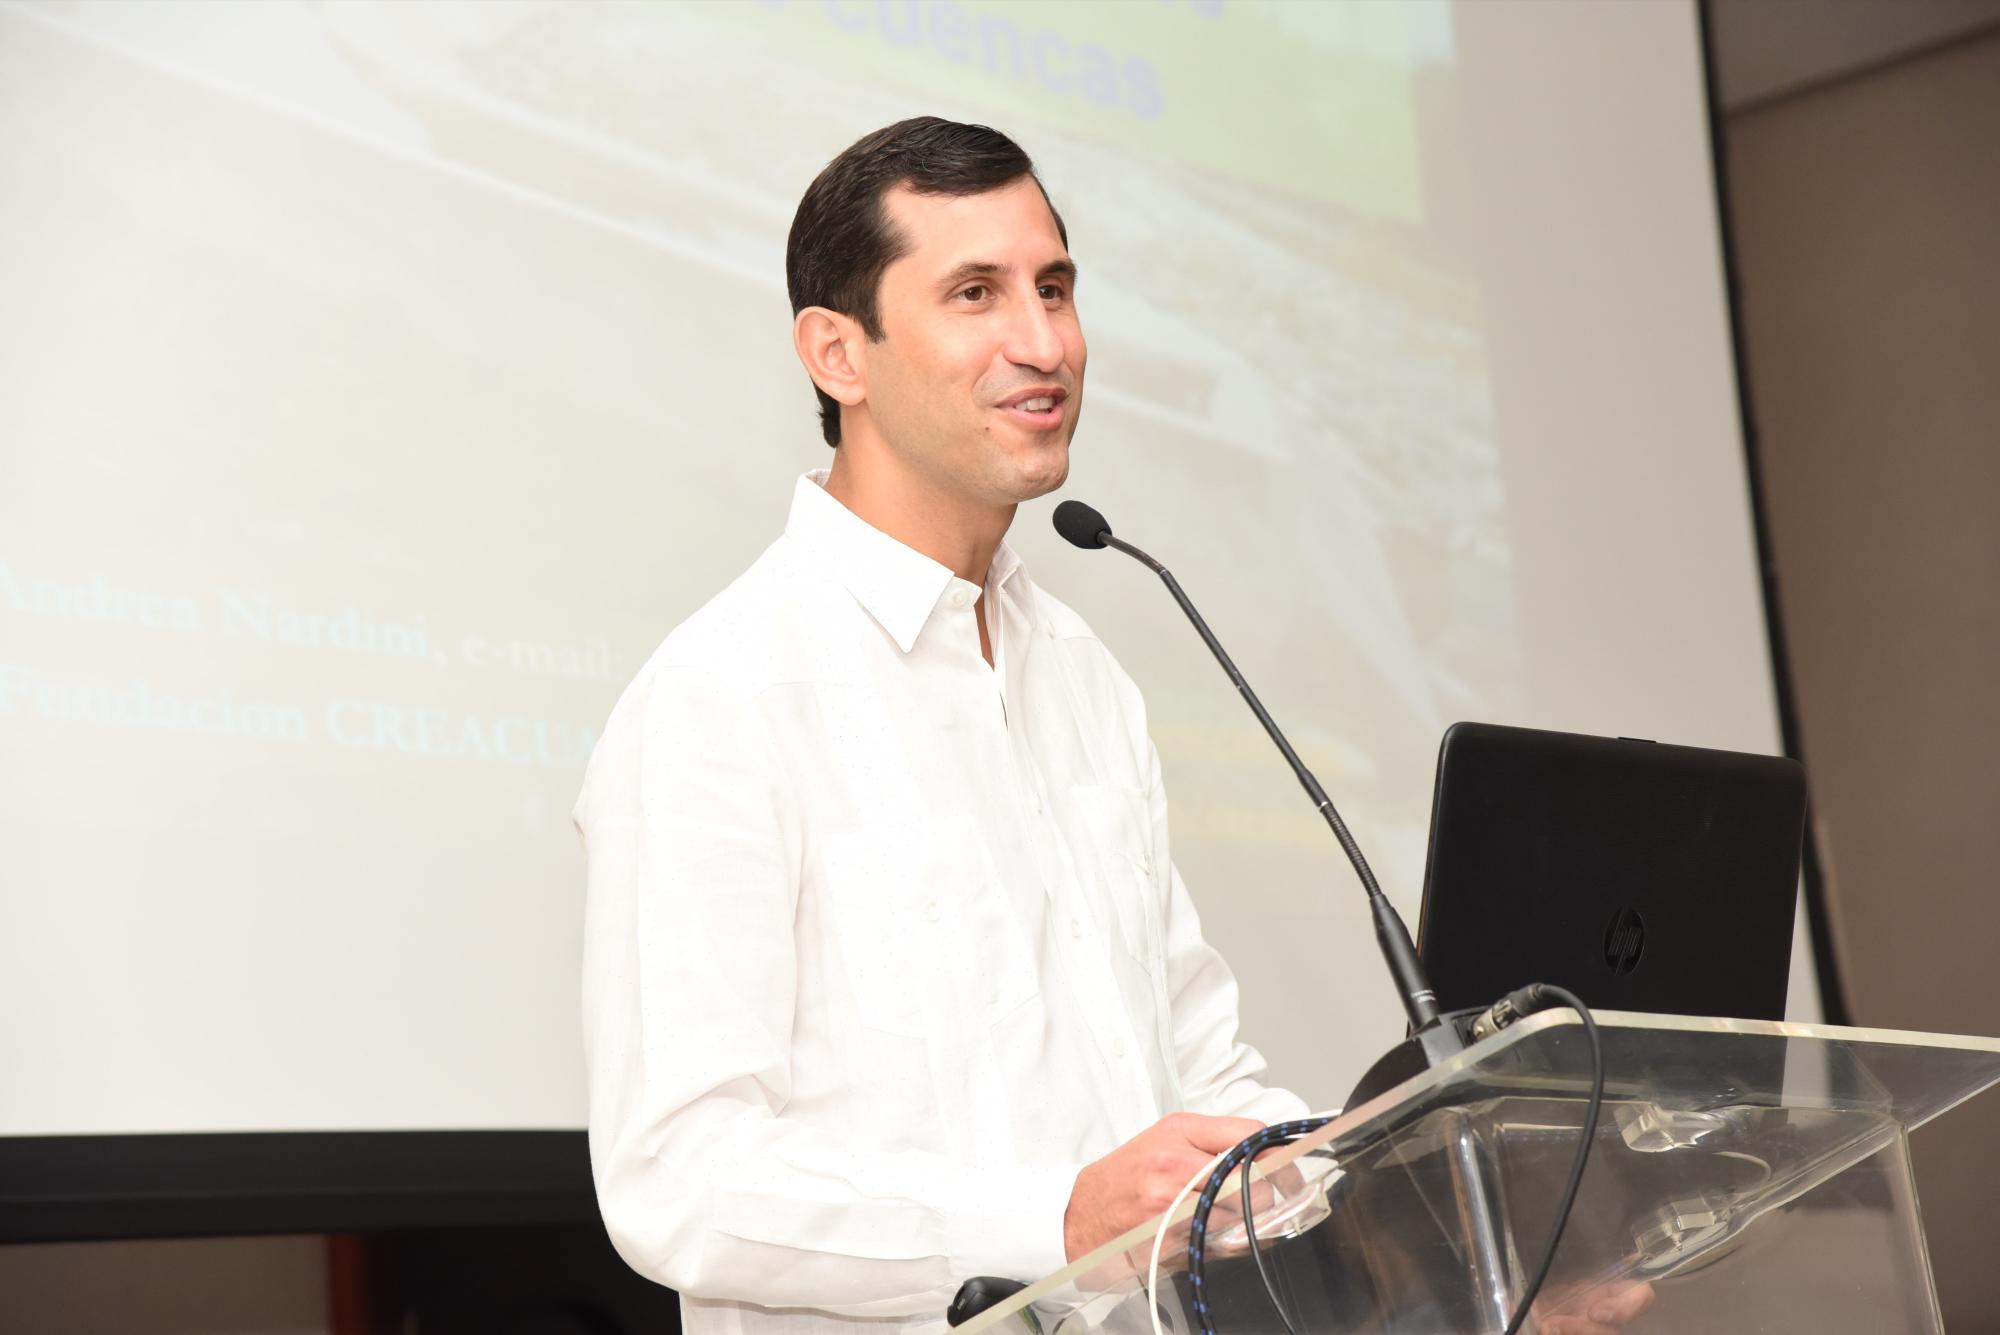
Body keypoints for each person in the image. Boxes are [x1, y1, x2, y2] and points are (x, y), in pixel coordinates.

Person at [576, 116, 1653, 1335]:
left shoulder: (1083, 673)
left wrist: (1459, 1233)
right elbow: (677, 1183)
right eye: (973, 294)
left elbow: (1201, 1082)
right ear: (838, 354)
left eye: (1054, 288)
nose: (1040, 344)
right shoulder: (721, 697)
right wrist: (1055, 1221)